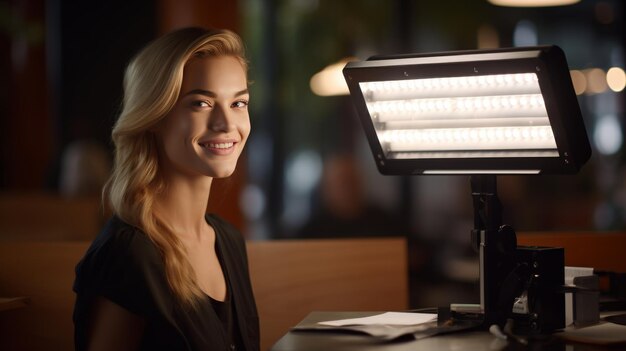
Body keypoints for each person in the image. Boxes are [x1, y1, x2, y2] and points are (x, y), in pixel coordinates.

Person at [72, 27, 258, 351]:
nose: (227, 124)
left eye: (238, 103)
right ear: (155, 116)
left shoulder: (228, 240)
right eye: (201, 103)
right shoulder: (128, 254)